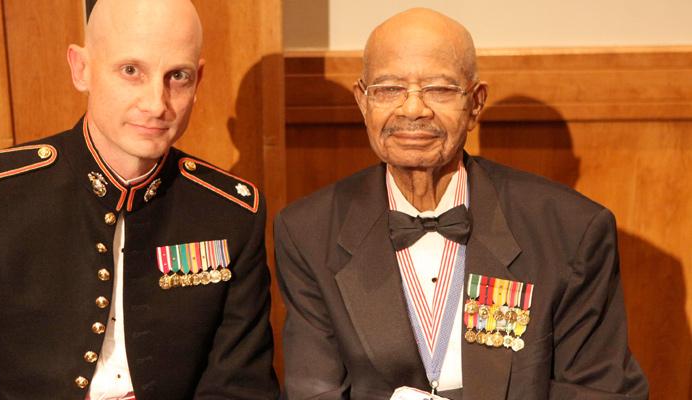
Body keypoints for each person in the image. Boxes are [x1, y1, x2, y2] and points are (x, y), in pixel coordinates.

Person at [0, 0, 279, 398]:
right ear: (81, 69)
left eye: (178, 76)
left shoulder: (230, 214)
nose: (156, 104)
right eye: (131, 71)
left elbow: (240, 389)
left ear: (199, 80)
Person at [274, 8, 648, 400]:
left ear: (476, 103)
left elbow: (601, 391)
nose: (413, 109)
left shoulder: (572, 230)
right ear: (363, 102)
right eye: (389, 88)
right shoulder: (307, 232)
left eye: (438, 89)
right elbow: (311, 391)